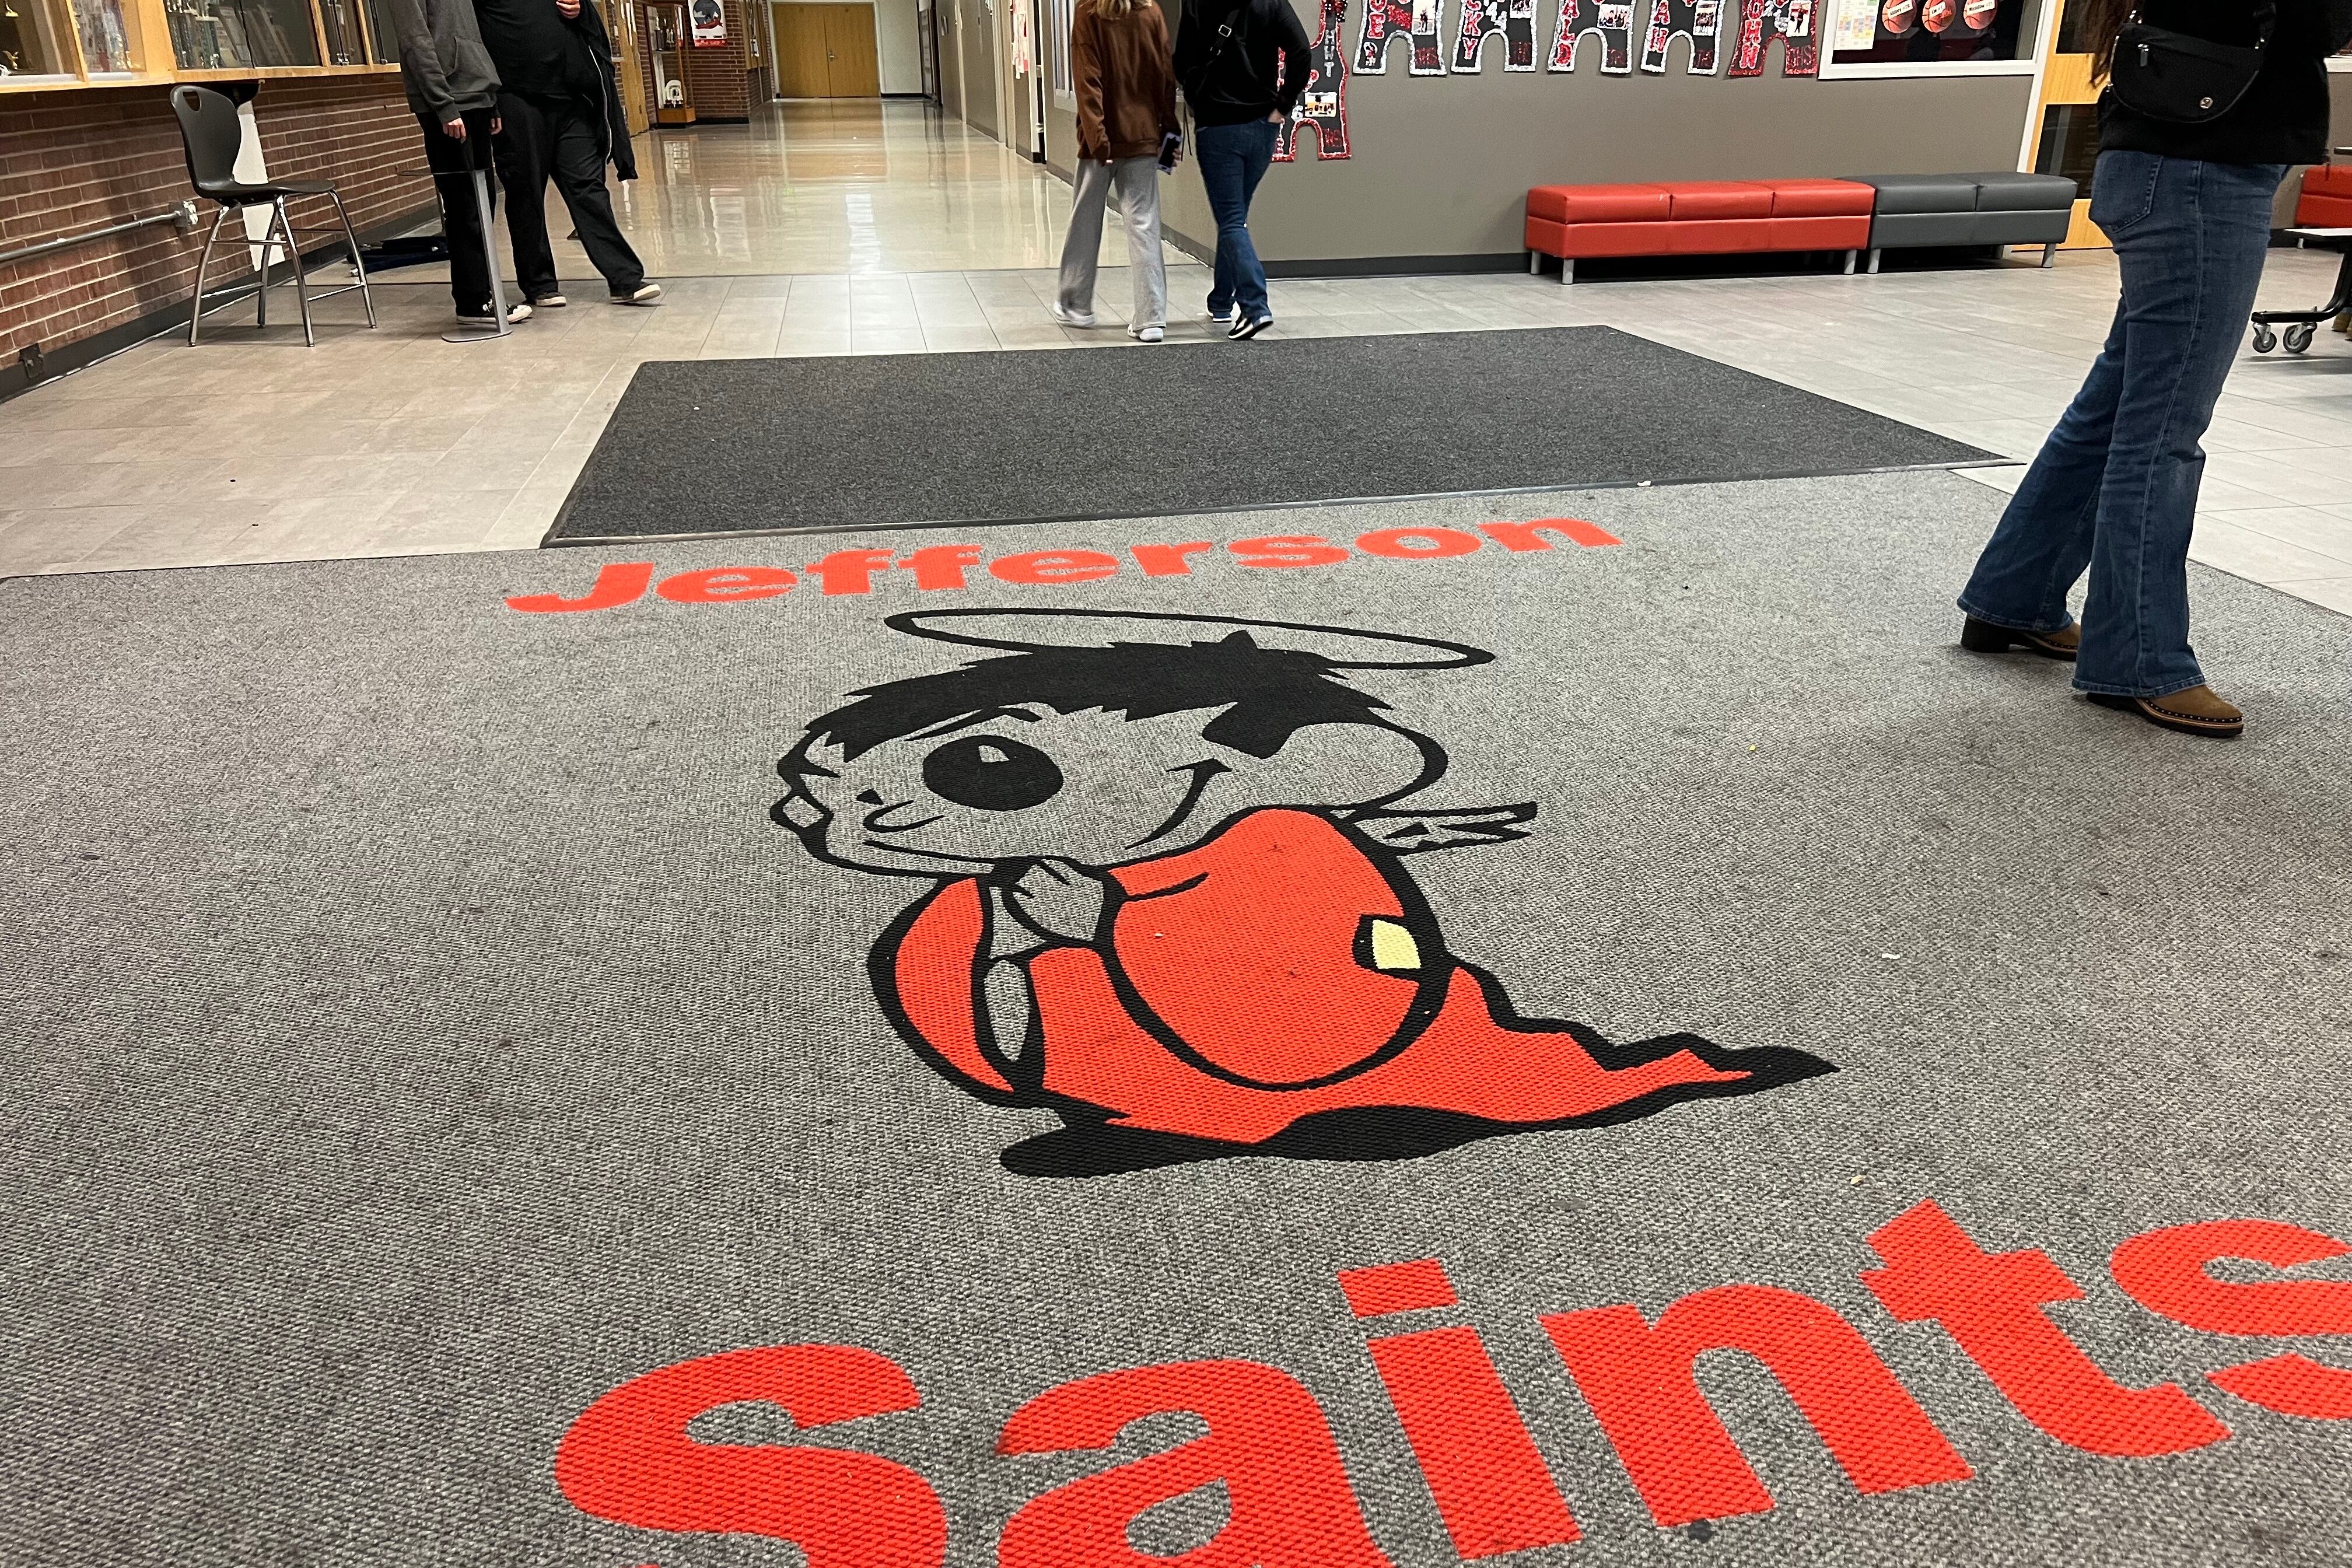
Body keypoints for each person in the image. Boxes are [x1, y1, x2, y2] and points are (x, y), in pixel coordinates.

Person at [1955, 0, 2352, 740]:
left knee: (2117, 405)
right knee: (2165, 427)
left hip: (2173, 165)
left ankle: (2016, 597)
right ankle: (2139, 659)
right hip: (2202, 175)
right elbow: (2320, 25)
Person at [473, 0, 660, 308]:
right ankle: (540, 284)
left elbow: (589, 24)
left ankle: (624, 279)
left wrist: (581, 10)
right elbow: (472, 39)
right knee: (526, 192)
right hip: (516, 97)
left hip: (573, 98)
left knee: (590, 188)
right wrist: (487, 100)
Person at [1173, 0, 1309, 340]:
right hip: (1263, 127)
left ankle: (1254, 307)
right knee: (1235, 216)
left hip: (1217, 129)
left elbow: (1181, 62)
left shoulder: (1197, 4)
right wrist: (1283, 106)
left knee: (1231, 218)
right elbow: (1301, 52)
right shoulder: (1272, 2)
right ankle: (1221, 301)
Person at [388, 0, 530, 325]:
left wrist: (490, 101)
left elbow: (471, 37)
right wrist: (443, 105)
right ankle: (473, 302)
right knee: (464, 205)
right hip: (449, 105)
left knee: (483, 203)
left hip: (476, 97)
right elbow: (415, 41)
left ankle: (486, 294)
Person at [1051, 0, 1181, 344]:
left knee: (1086, 218)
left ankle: (1077, 305)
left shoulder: (1089, 12)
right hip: (1142, 136)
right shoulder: (1151, 12)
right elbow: (1165, 76)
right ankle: (1151, 319)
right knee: (1144, 224)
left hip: (1101, 143)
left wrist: (1099, 139)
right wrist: (1170, 133)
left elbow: (1087, 80)